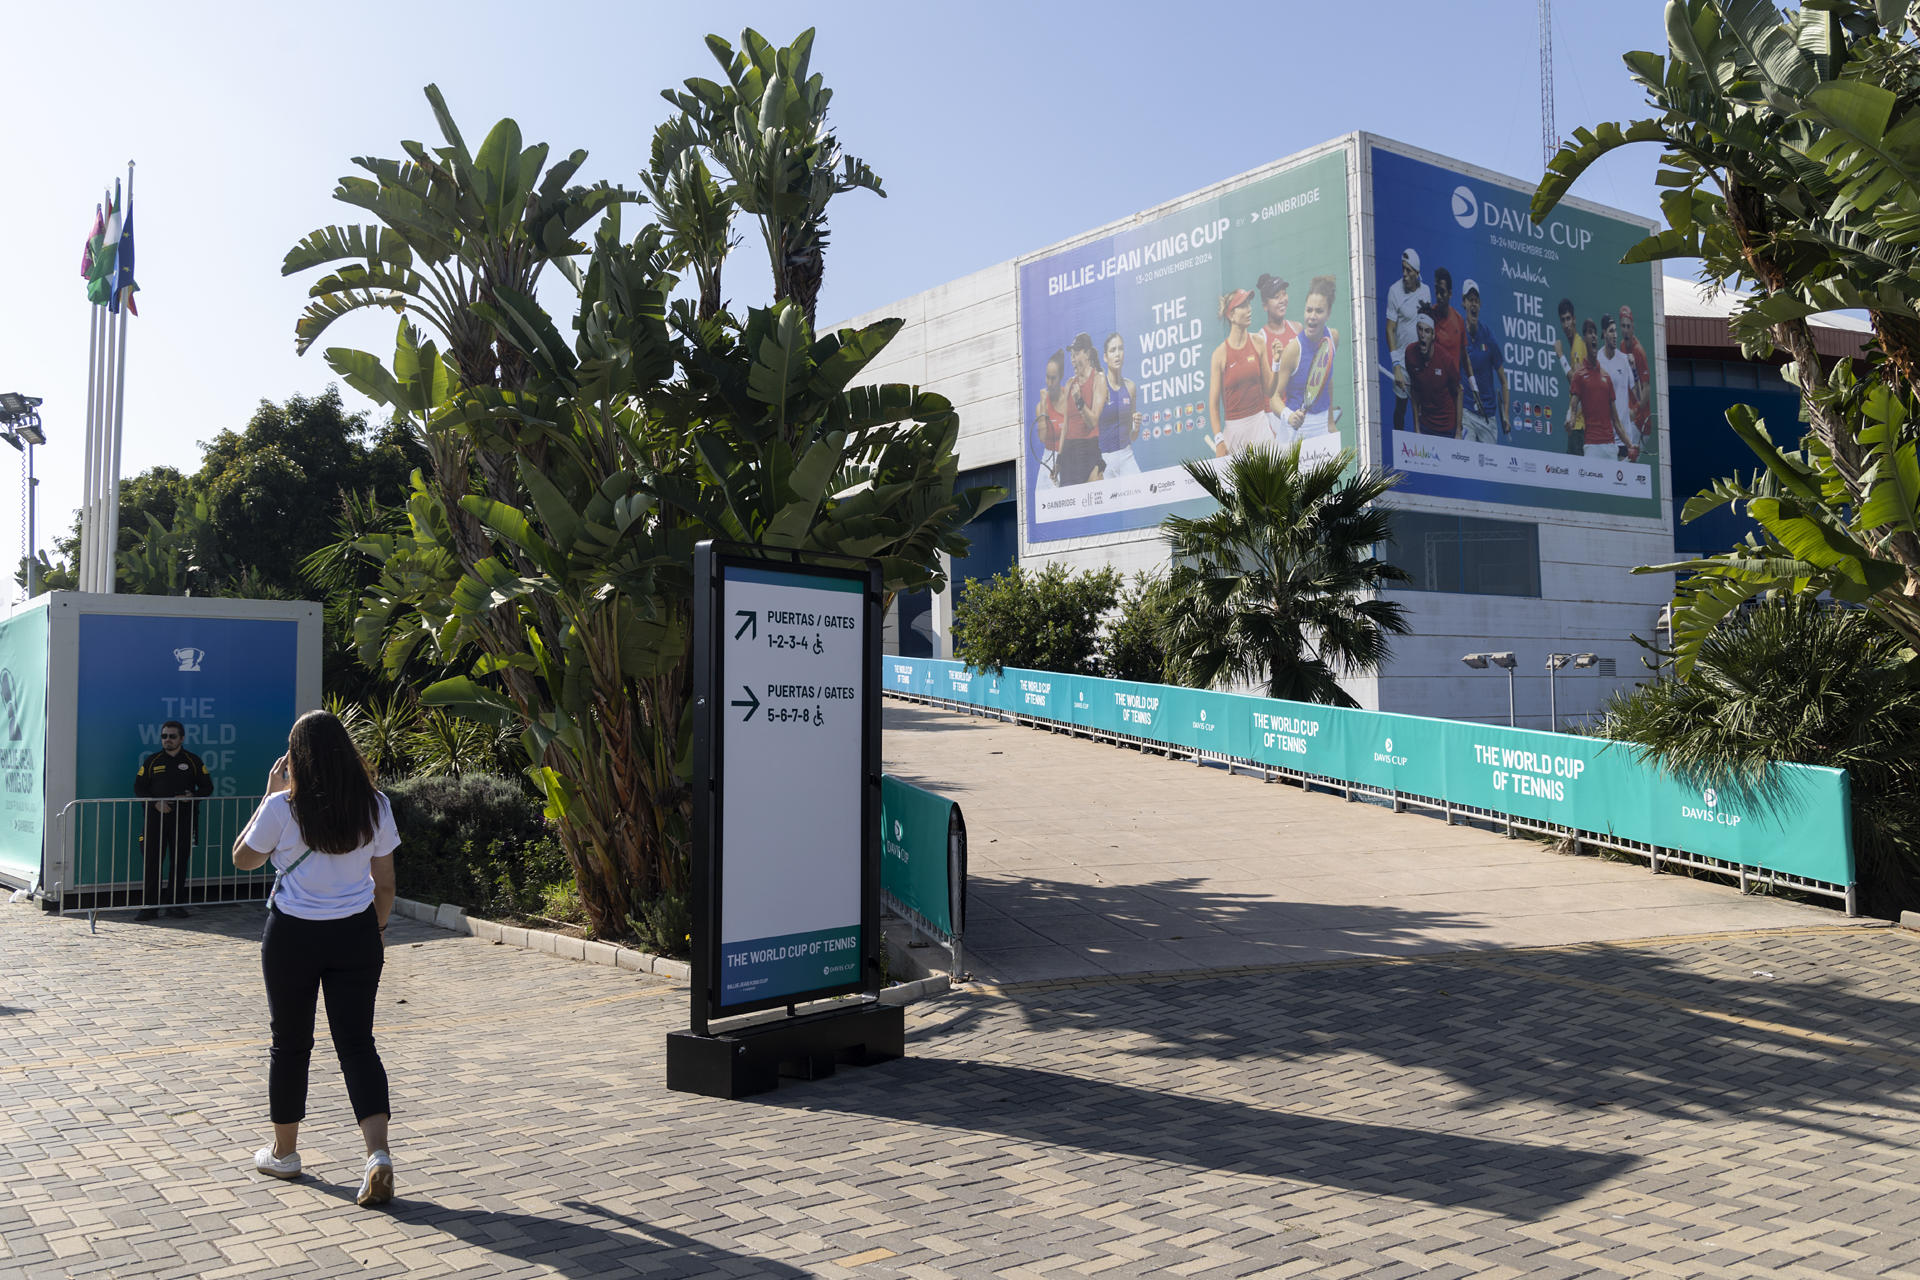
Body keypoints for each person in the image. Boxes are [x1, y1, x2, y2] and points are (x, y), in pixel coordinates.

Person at [233, 709, 400, 1206]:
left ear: (296, 758)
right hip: (355, 933)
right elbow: (386, 882)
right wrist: (379, 931)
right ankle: (378, 1155)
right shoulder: (375, 805)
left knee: (290, 1043)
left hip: (292, 937)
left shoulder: (283, 807)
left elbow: (243, 858)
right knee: (357, 1044)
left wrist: (268, 794)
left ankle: (284, 1154)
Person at [133, 719, 213, 921]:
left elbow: (207, 787)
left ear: (182, 738)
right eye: (164, 736)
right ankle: (150, 907)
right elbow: (139, 788)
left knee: (179, 862)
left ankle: (175, 905)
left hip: (183, 820)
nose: (167, 740)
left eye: (172, 736)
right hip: (155, 820)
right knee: (152, 863)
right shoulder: (152, 761)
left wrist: (191, 796)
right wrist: (155, 803)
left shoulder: (193, 761)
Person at [1274, 275, 1343, 439]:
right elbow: (1274, 398)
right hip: (1294, 428)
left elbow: (1326, 378)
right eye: (1309, 310)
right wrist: (1289, 416)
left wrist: (1330, 422)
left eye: (1319, 311)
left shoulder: (1333, 337)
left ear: (1328, 313)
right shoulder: (1293, 351)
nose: (1312, 316)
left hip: (1322, 424)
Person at [1208, 288, 1273, 456]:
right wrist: (1219, 440)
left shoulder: (1259, 343)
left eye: (1249, 304)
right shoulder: (1219, 355)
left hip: (1260, 424)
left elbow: (1269, 390)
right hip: (1234, 430)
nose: (1249, 309)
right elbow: (1214, 405)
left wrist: (1278, 363)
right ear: (1231, 315)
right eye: (1243, 305)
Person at [1457, 279, 1508, 444]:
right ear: (1463, 303)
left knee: (1490, 468)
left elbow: (1504, 382)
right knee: (1466, 461)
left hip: (1488, 417)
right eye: (1470, 300)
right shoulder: (1458, 335)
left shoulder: (1489, 337)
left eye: (1476, 300)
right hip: (1467, 413)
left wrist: (1505, 414)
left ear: (1480, 305)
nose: (1474, 304)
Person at [1384, 249, 1430, 431]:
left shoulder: (1426, 291)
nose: (1404, 274)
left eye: (1409, 270)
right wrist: (1396, 366)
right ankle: (1400, 450)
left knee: (1422, 410)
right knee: (1401, 408)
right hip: (1402, 363)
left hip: (1421, 362)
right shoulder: (1394, 292)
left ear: (1417, 274)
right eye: (1403, 269)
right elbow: (1390, 328)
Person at [1566, 318, 1624, 459]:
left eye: (1595, 333)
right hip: (1589, 442)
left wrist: (1628, 443)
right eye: (1590, 333)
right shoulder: (1580, 374)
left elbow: (1615, 419)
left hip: (1610, 446)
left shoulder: (1605, 375)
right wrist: (1570, 419)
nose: (1593, 336)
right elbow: (1574, 406)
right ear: (1585, 338)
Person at [1094, 332, 1144, 478]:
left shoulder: (1130, 387)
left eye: (1120, 349)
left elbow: (1133, 436)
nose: (1117, 354)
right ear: (1105, 357)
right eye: (1112, 350)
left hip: (1126, 455)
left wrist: (1136, 426)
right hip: (1104, 459)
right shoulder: (1098, 386)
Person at [1058, 333, 1105, 485]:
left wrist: (1079, 401)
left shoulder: (1099, 379)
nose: (1073, 359)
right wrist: (1059, 458)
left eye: (1077, 353)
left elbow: (1093, 422)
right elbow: (1065, 425)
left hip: (1089, 449)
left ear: (1088, 354)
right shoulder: (1070, 383)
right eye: (1071, 355)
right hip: (1069, 453)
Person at [1405, 313, 1461, 436]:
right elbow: (1414, 391)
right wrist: (1417, 428)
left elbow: (1458, 391)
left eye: (1427, 331)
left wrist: (1458, 431)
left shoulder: (1446, 359)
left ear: (1433, 335)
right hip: (1425, 426)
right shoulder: (1410, 353)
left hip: (1447, 427)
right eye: (1420, 329)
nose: (1422, 335)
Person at [1596, 314, 1640, 460]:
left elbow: (1638, 396)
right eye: (1611, 331)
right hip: (1604, 439)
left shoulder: (1624, 359)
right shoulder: (1597, 361)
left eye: (1615, 331)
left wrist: (1634, 369)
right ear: (1603, 333)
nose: (1615, 335)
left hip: (1624, 438)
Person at [1552, 298, 1589, 453]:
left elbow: (1577, 383)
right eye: (1563, 320)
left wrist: (1560, 356)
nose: (1566, 324)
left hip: (1580, 428)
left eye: (1568, 319)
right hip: (1576, 425)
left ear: (1574, 319)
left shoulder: (1578, 345)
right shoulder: (1574, 345)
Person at [1619, 304, 1653, 448]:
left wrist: (1636, 409)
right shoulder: (1621, 346)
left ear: (1633, 328)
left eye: (1628, 326)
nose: (1626, 330)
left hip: (1641, 425)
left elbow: (1647, 389)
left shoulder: (1638, 352)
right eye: (1623, 326)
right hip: (1629, 419)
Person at [1033, 349, 1068, 488]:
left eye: (1053, 378)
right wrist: (1043, 408)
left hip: (1067, 456)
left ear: (1060, 377)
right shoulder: (1041, 405)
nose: (1049, 382)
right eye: (1047, 377)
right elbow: (1042, 438)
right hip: (1048, 458)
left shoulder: (1069, 399)